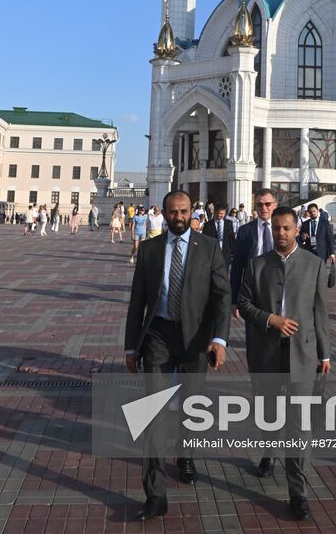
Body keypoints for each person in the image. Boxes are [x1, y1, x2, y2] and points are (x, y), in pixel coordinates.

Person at [124, 190, 230, 521]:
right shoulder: (151, 249)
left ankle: (186, 454)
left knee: (191, 406)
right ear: (165, 213)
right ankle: (155, 495)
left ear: (191, 212)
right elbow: (137, 299)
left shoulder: (209, 247)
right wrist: (130, 345)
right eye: (173, 212)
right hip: (158, 335)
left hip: (195, 340)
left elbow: (222, 297)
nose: (179, 217)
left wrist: (219, 339)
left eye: (184, 211)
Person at [238, 205, 330, 522]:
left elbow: (320, 312)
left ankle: (298, 493)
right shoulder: (257, 265)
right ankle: (267, 452)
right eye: (276, 228)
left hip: (302, 356)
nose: (281, 233)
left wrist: (326, 353)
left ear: (297, 229)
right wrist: (271, 319)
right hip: (266, 353)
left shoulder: (314, 265)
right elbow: (244, 304)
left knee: (298, 427)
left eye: (287, 228)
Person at [230, 189, 277, 314]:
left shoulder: (282, 229)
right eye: (259, 205)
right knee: (253, 331)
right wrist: (234, 300)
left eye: (267, 204)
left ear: (275, 205)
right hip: (252, 291)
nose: (264, 208)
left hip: (278, 289)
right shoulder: (245, 231)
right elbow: (237, 267)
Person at [202, 199, 236, 268]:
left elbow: (231, 239)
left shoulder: (229, 223)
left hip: (225, 254)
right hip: (212, 255)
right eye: (220, 213)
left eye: (223, 213)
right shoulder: (208, 225)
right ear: (215, 212)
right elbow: (204, 241)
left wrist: (234, 253)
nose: (222, 215)